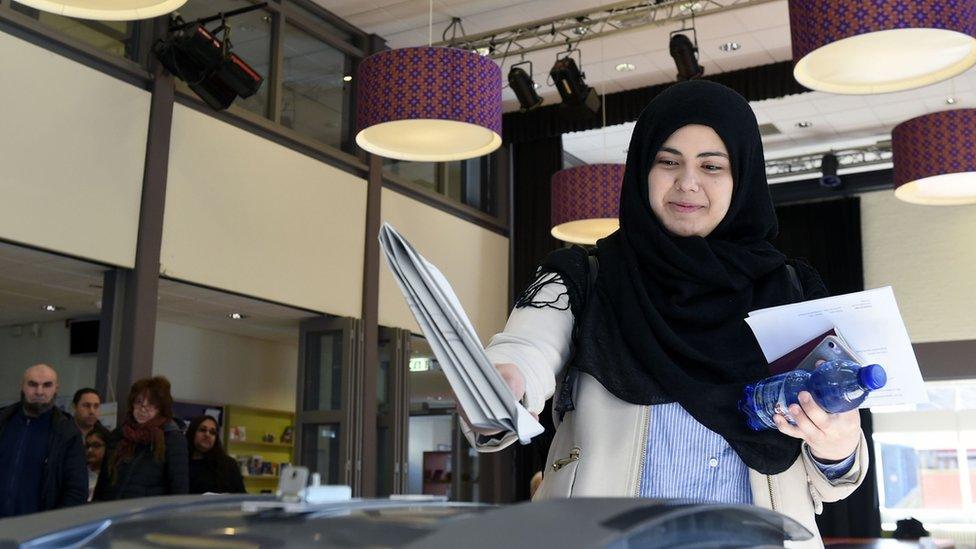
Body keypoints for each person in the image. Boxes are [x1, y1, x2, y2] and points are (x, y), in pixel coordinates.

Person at [460, 81, 868, 548]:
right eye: (668, 161)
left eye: (712, 166)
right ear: (641, 171)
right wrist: (502, 382)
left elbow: (836, 477)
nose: (687, 182)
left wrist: (837, 446)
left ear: (744, 179)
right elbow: (526, 348)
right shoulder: (583, 279)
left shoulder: (793, 291)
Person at [0, 364, 87, 517]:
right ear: (22, 387)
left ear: (56, 389)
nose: (39, 391)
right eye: (33, 384)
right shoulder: (3, 421)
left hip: (36, 531)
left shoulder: (67, 433)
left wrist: (52, 528)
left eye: (47, 385)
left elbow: (76, 491)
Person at [93, 376, 188, 500]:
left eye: (151, 404)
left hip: (150, 515)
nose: (143, 409)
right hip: (113, 511)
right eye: (139, 402)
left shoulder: (171, 438)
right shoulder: (119, 434)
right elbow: (103, 480)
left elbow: (179, 487)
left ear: (161, 408)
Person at [185, 415, 246, 494]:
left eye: (212, 432)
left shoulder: (228, 464)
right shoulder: (181, 462)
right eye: (203, 430)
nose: (207, 435)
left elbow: (240, 496)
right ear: (193, 432)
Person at [84, 427, 109, 502]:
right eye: (87, 446)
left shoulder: (112, 476)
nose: (90, 450)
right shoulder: (79, 473)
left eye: (96, 445)